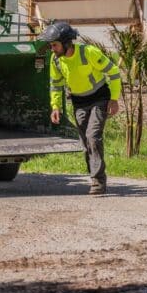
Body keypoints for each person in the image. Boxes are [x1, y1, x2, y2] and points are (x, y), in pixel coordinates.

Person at [39, 21, 121, 195]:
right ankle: (94, 177)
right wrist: (55, 107)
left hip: (100, 98)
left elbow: (113, 72)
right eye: (51, 45)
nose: (52, 48)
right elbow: (56, 84)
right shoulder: (56, 60)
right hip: (79, 102)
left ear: (66, 43)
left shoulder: (88, 52)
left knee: (93, 136)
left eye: (54, 45)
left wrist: (113, 99)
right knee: (85, 143)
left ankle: (99, 182)